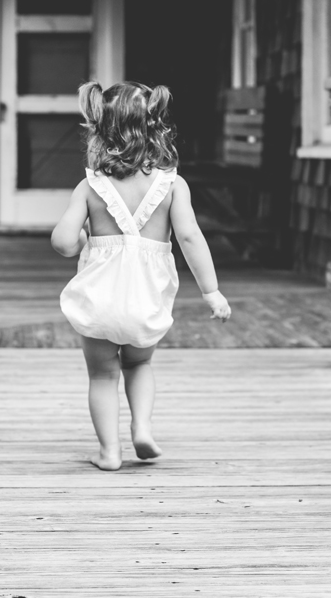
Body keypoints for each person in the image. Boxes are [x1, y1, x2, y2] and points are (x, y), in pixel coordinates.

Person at [52, 81, 232, 471]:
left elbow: (64, 243)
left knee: (102, 375)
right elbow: (189, 237)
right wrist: (211, 291)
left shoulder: (90, 187)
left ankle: (109, 452)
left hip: (99, 299)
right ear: (156, 127)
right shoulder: (172, 186)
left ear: (99, 130)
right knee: (139, 365)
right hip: (146, 299)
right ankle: (143, 429)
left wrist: (83, 236)